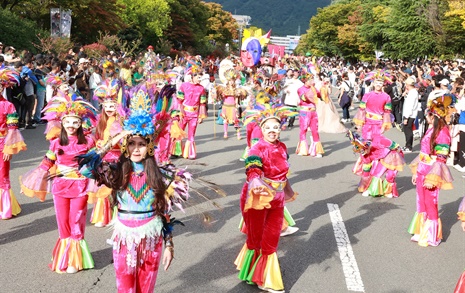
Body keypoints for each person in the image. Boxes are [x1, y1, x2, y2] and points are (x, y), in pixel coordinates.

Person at [77, 83, 191, 292]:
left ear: (149, 146)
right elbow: (85, 169)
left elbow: (165, 213)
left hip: (152, 239)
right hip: (124, 238)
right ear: (125, 147)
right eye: (132, 144)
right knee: (125, 287)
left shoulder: (163, 175)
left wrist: (169, 245)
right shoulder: (115, 171)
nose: (136, 148)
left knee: (145, 288)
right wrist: (118, 137)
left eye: (141, 144)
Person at [20, 95, 97, 273]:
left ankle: (75, 261)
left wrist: (89, 171)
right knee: (63, 223)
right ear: (62, 123)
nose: (71, 125)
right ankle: (64, 257)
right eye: (67, 122)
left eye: (75, 122)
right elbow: (47, 162)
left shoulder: (88, 142)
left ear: (80, 124)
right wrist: (32, 182)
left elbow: (96, 164)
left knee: (76, 221)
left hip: (80, 186)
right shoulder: (55, 143)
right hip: (60, 187)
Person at [234, 106, 298, 293]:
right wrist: (255, 179)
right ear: (261, 130)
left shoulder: (282, 147)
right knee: (256, 237)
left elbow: (283, 172)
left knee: (271, 238)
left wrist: (285, 189)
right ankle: (257, 274)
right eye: (268, 127)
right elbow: (253, 165)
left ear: (280, 129)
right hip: (258, 196)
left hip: (277, 199)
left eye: (275, 127)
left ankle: (262, 276)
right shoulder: (257, 147)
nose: (272, 131)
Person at [408, 95, 454, 247]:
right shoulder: (430, 130)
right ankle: (421, 231)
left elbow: (441, 158)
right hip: (422, 169)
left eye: (428, 115)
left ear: (433, 116)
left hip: (432, 173)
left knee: (430, 202)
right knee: (421, 202)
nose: (426, 117)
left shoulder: (443, 133)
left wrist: (432, 178)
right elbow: (423, 153)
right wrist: (416, 172)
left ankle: (432, 235)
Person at [88, 80, 123, 227]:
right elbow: (96, 139)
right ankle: (103, 216)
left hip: (117, 158)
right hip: (103, 158)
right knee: (102, 185)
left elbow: (124, 140)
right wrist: (97, 143)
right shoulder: (100, 122)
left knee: (115, 186)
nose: (109, 108)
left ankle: (116, 215)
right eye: (106, 106)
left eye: (112, 106)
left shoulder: (121, 121)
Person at [0, 69, 27, 219]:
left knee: (2, 175)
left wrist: (8, 148)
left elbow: (12, 130)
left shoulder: (8, 106)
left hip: (2, 143)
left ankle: (5, 208)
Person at [176, 66, 207, 159]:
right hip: (184, 113)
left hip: (194, 115)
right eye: (198, 77)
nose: (200, 79)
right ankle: (176, 151)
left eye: (200, 77)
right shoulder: (184, 86)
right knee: (179, 132)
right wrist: (179, 112)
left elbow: (202, 104)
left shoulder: (201, 89)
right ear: (192, 77)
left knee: (191, 134)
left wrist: (201, 116)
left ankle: (190, 153)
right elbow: (179, 101)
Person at [353, 69, 393, 142]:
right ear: (373, 83)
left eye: (380, 83)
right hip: (367, 123)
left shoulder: (387, 97)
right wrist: (359, 125)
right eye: (377, 82)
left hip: (379, 124)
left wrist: (384, 126)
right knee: (366, 145)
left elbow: (387, 112)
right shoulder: (367, 95)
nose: (378, 84)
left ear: (383, 84)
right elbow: (361, 110)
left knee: (377, 144)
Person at [296, 73, 324, 157]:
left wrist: (324, 89)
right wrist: (313, 92)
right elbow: (304, 98)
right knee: (303, 129)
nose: (312, 81)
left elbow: (321, 96)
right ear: (305, 80)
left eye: (312, 79)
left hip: (313, 112)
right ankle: (303, 150)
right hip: (304, 112)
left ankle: (317, 151)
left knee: (315, 130)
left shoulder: (314, 88)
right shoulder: (300, 89)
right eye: (310, 80)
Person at [215, 68, 247, 139]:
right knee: (225, 120)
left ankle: (238, 134)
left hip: (233, 107)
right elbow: (221, 98)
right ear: (228, 81)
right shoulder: (224, 89)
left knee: (236, 120)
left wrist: (237, 105)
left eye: (233, 81)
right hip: (226, 106)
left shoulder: (237, 90)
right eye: (230, 81)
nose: (231, 82)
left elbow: (236, 98)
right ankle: (225, 133)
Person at [402, 77, 419, 153]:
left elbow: (410, 106)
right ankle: (407, 145)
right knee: (407, 130)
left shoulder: (413, 93)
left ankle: (409, 146)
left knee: (408, 130)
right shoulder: (412, 92)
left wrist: (406, 117)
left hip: (410, 114)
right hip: (410, 114)